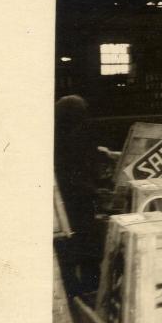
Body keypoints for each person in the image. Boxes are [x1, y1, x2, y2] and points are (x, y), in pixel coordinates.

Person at [54, 94, 100, 295]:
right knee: (87, 241)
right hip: (78, 198)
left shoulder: (58, 135)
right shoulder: (77, 136)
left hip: (64, 200)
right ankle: (91, 285)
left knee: (69, 245)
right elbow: (77, 171)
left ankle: (72, 288)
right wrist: (94, 190)